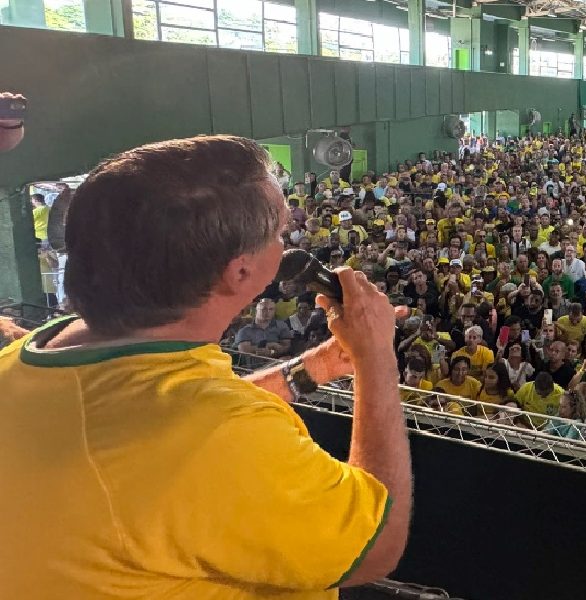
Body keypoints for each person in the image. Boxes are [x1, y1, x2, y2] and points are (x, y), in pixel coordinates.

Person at [0, 136, 410, 595]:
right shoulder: (219, 434)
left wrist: (308, 370)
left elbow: (165, 422)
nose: (285, 242)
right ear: (238, 273)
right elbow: (376, 546)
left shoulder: (25, 359)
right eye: (277, 234)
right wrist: (377, 357)